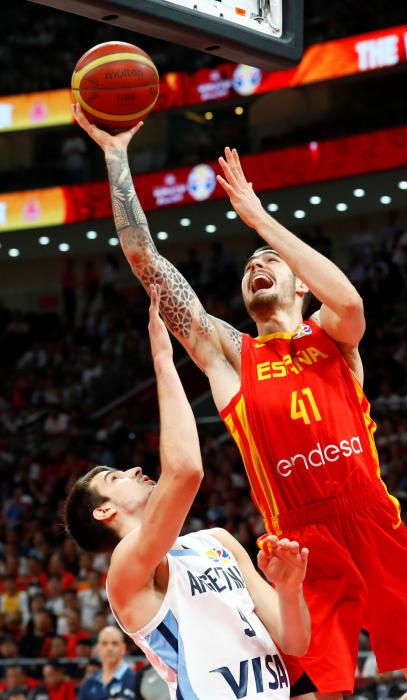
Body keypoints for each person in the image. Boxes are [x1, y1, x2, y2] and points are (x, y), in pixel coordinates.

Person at [72, 104, 407, 700]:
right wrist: (117, 158)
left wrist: (261, 223)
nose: (256, 263)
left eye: (269, 262)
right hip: (300, 549)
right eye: (250, 263)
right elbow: (149, 266)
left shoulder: (333, 337)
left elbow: (351, 301)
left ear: (301, 281)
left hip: (376, 525)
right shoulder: (233, 357)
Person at [64, 282, 310, 699]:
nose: (134, 469)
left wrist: (289, 590)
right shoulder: (127, 572)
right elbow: (185, 471)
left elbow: (294, 641)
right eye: (114, 477)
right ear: (103, 513)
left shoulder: (218, 541)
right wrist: (163, 361)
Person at [77, 627, 135, 700]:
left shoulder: (135, 680)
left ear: (123, 648)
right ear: (98, 648)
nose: (109, 648)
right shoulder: (89, 683)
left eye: (114, 643)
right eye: (104, 644)